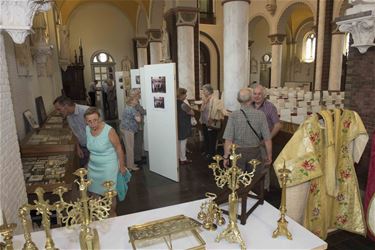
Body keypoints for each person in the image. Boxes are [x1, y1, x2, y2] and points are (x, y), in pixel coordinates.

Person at [84, 107, 127, 216]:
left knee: (109, 194)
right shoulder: (87, 130)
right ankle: (99, 215)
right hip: (93, 167)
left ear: (99, 118)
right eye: (89, 121)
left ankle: (112, 214)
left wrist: (121, 166)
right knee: (94, 192)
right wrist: (88, 165)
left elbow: (118, 148)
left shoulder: (109, 130)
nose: (93, 123)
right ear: (86, 121)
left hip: (108, 166)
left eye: (95, 120)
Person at [222, 88, 272, 172]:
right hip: (255, 152)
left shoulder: (233, 115)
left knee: (239, 179)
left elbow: (228, 139)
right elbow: (267, 139)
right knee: (254, 179)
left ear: (238, 100)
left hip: (237, 153)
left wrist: (226, 156)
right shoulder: (261, 115)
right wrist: (269, 156)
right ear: (252, 99)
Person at [251, 84, 282, 190]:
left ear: (264, 95)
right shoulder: (249, 106)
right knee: (251, 166)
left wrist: (267, 139)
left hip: (263, 142)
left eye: (259, 94)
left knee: (264, 167)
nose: (257, 96)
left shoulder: (270, 107)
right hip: (250, 143)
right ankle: (251, 187)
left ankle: (264, 190)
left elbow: (278, 125)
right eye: (255, 94)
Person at [53, 96, 90, 166]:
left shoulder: (86, 111)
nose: (58, 112)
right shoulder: (68, 116)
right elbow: (75, 133)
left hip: (95, 151)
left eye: (59, 109)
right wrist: (78, 147)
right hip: (83, 148)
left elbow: (99, 134)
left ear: (66, 106)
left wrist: (93, 158)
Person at [199, 84, 225, 161]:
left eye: (204, 90)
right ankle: (207, 151)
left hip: (212, 123)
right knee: (206, 137)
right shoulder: (205, 99)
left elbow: (220, 112)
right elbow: (202, 110)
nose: (203, 92)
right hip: (204, 121)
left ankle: (211, 153)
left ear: (209, 91)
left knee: (212, 139)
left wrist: (213, 119)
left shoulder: (215, 100)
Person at [120, 95, 142, 171]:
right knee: (130, 148)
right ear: (131, 101)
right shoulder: (132, 109)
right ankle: (130, 166)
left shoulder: (126, 107)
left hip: (123, 128)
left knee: (127, 147)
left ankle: (129, 163)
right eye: (136, 100)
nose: (137, 101)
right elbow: (138, 120)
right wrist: (139, 113)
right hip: (128, 130)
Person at [177, 88, 195, 165]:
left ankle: (178, 157)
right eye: (185, 94)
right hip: (183, 124)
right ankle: (183, 159)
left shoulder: (174, 102)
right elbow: (192, 113)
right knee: (183, 143)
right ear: (181, 95)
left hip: (177, 124)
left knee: (178, 142)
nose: (186, 95)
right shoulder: (183, 104)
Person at [129, 88, 146, 165]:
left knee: (139, 141)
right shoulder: (135, 103)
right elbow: (142, 111)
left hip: (138, 125)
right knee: (138, 142)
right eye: (138, 93)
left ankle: (140, 156)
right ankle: (137, 158)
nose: (140, 95)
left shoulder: (134, 102)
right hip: (137, 125)